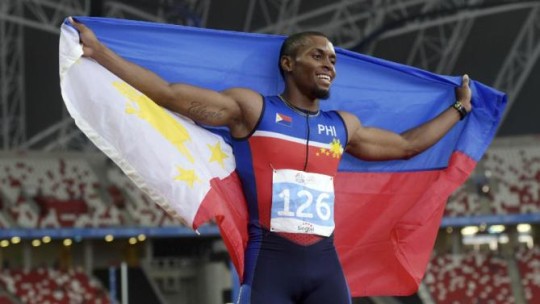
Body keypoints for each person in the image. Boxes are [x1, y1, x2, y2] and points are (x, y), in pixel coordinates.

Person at [69, 18, 471, 304]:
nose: (330, 65)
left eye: (333, 59)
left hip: (325, 268)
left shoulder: (342, 126)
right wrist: (101, 53)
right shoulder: (253, 111)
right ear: (288, 64)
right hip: (270, 268)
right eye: (319, 56)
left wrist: (459, 108)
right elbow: (171, 95)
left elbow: (405, 146)